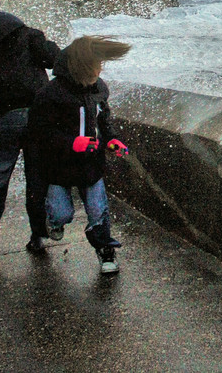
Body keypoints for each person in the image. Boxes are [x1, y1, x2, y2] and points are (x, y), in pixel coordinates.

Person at [26, 36, 131, 274]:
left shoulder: (99, 88)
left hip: (91, 166)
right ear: (80, 67)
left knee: (98, 211)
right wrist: (71, 142)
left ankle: (106, 252)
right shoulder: (50, 93)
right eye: (95, 66)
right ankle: (52, 222)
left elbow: (103, 121)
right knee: (62, 213)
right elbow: (38, 132)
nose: (100, 70)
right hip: (58, 167)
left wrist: (111, 140)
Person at [0, 12, 60, 262]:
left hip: (8, 117)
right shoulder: (30, 36)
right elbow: (54, 60)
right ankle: (40, 235)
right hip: (39, 117)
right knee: (38, 177)